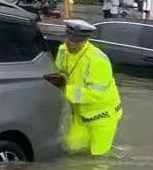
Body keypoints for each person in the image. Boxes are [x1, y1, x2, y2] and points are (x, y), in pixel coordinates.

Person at [47, 20, 122, 157]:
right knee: (72, 149)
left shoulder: (97, 60)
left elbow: (95, 95)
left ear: (85, 40)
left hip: (102, 116)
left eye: (76, 42)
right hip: (80, 116)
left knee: (98, 159)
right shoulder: (63, 50)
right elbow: (60, 70)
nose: (71, 44)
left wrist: (65, 89)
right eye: (69, 39)